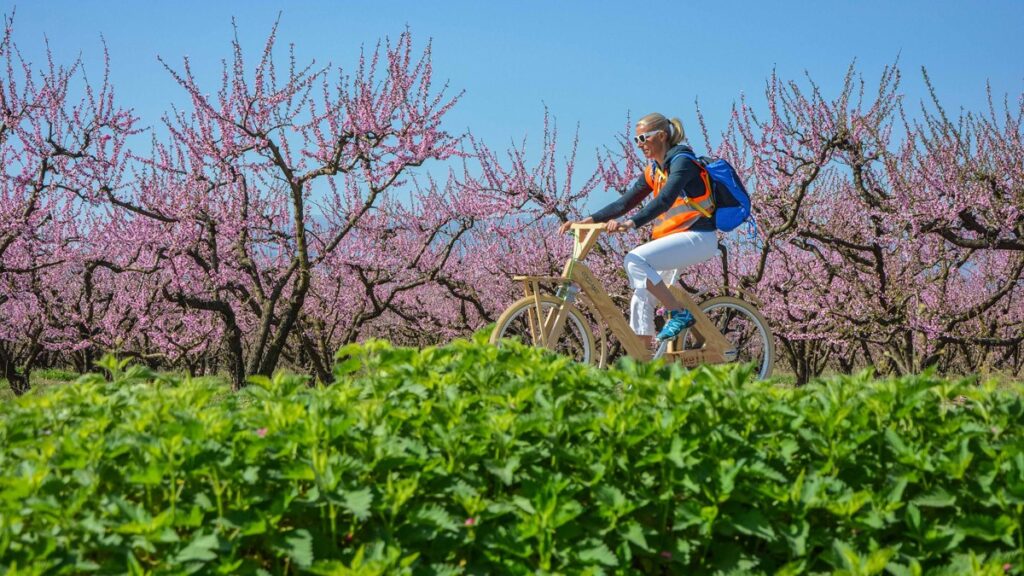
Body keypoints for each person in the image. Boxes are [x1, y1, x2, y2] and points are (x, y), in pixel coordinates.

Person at [559, 112, 717, 350]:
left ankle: (678, 313)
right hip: (673, 239)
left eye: (644, 138)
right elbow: (625, 202)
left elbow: (664, 200)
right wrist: (588, 220)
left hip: (698, 237)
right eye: (636, 140)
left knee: (634, 260)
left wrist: (631, 223)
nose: (640, 145)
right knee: (640, 298)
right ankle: (644, 364)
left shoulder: (682, 162)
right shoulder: (654, 170)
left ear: (662, 136)